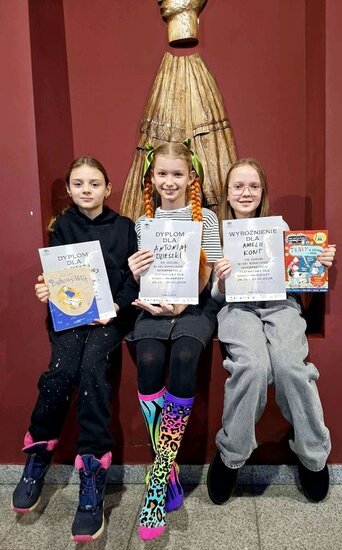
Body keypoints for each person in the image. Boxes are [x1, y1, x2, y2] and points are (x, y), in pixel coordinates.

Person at [11, 157, 138, 543]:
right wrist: (46, 289)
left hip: (109, 318)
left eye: (94, 183)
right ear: (69, 189)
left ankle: (92, 471)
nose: (87, 190)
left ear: (108, 188)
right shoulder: (62, 226)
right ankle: (38, 451)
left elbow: (133, 280)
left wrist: (115, 308)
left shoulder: (125, 227)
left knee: (92, 371)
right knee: (62, 372)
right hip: (70, 316)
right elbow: (56, 278)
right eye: (79, 183)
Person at [207, 158, 336, 505]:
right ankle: (231, 454)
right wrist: (222, 280)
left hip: (281, 305)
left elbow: (296, 278)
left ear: (262, 191)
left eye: (253, 186)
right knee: (252, 367)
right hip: (237, 307)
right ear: (227, 193)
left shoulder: (279, 227)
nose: (245, 192)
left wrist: (317, 262)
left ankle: (312, 456)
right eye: (238, 186)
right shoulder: (216, 232)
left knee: (290, 367)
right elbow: (214, 297)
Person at [127, 141, 221, 541]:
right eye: (162, 173)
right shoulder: (142, 223)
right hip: (153, 307)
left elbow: (210, 276)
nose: (169, 181)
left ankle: (158, 477)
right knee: (148, 360)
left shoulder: (207, 219)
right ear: (152, 177)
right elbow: (143, 276)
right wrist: (136, 275)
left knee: (184, 357)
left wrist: (183, 303)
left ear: (191, 178)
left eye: (177, 174)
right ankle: (168, 470)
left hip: (195, 308)